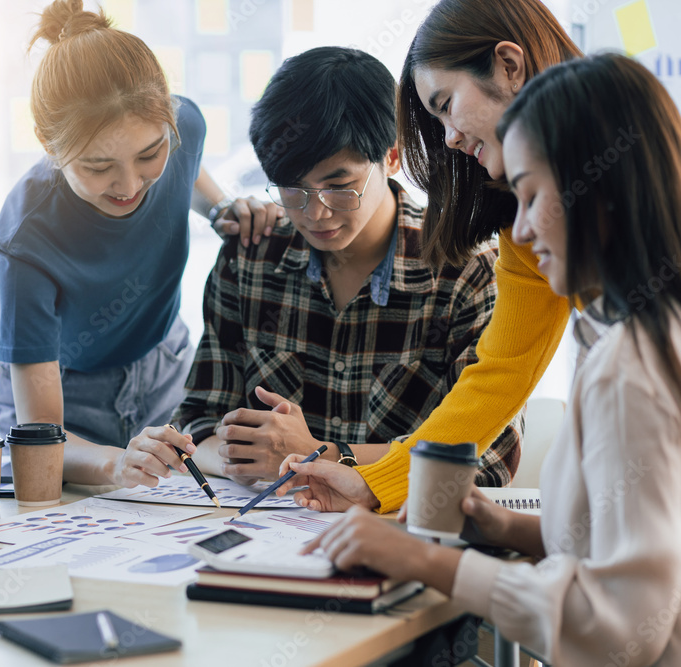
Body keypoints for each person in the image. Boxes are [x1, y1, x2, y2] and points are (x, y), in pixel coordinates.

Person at [282, 53, 681, 666]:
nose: (518, 231)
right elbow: (634, 544)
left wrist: (428, 561)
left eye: (527, 196)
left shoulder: (628, 370)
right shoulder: (647, 335)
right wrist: (502, 528)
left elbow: (616, 630)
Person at [173, 46, 520, 487]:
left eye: (339, 187)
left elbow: (489, 458)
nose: (315, 214)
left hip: (394, 537)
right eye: (293, 190)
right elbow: (196, 420)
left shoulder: (466, 272)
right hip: (263, 529)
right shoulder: (251, 255)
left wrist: (328, 458)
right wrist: (243, 459)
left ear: (391, 158)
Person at [0, 0, 282, 487]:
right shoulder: (26, 234)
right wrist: (113, 462)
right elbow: (40, 434)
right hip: (64, 398)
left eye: (150, 153)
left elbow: (184, 172)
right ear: (48, 144)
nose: (129, 184)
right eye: (98, 167)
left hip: (164, 366)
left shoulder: (183, 124)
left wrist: (219, 207)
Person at [306, 0, 582, 512]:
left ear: (508, 65)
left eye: (447, 104)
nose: (450, 139)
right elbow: (498, 375)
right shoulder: (521, 222)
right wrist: (376, 483)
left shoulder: (641, 169)